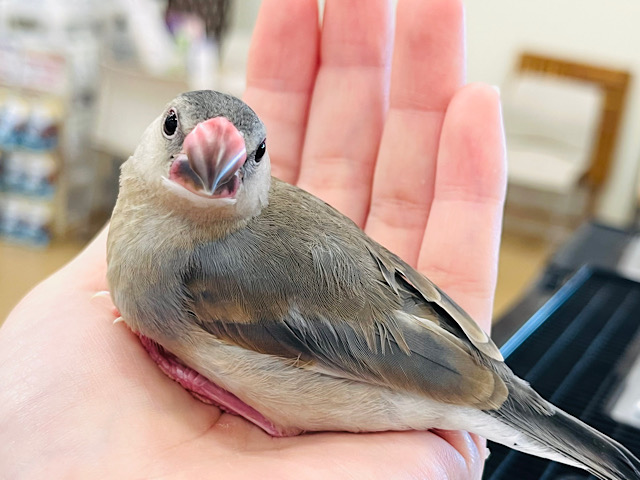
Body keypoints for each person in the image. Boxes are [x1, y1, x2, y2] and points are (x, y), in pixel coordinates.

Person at [0, 0, 506, 478]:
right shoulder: (155, 239)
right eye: (176, 126)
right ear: (157, 127)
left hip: (416, 370)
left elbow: (293, 396)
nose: (207, 164)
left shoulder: (205, 269)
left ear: (261, 172)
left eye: (250, 156)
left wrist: (245, 402)